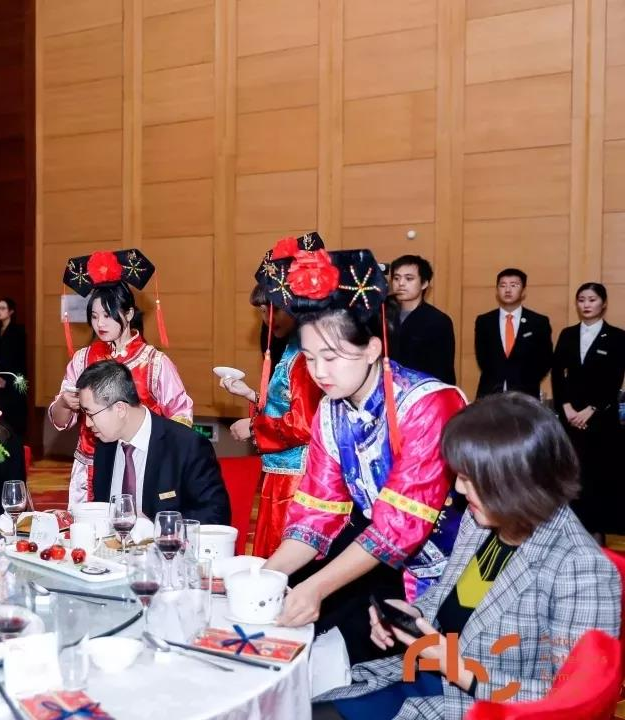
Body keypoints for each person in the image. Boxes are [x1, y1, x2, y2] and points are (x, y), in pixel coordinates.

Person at [315, 393, 620, 719]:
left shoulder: (580, 568)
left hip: (481, 707)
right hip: (423, 676)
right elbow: (455, 597)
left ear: (514, 479)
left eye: (469, 478)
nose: (459, 489)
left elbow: (567, 701)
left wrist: (456, 667)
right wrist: (414, 616)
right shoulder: (485, 520)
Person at [259, 248, 467, 667]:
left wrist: (316, 588)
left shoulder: (428, 405)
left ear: (373, 349)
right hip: (393, 571)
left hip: (466, 574)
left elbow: (398, 526)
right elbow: (316, 513)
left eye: (331, 357)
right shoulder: (330, 412)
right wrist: (266, 577)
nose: (319, 372)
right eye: (310, 358)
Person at [49, 250, 193, 505]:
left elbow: (180, 417)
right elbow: (61, 420)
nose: (100, 324)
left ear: (128, 314)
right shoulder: (83, 358)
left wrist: (166, 461)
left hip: (138, 464)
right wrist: (63, 403)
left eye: (108, 315)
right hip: (90, 466)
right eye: (94, 317)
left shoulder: (154, 362)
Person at [223, 234, 325, 557]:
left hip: (297, 477)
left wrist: (253, 428)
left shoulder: (306, 353)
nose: (268, 320)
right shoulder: (294, 347)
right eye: (263, 313)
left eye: (273, 310)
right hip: (282, 471)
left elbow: (304, 424)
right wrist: (252, 394)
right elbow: (286, 403)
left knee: (284, 556)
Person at [81, 360, 230, 524]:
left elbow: (215, 516)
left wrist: (154, 526)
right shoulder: (105, 446)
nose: (87, 423)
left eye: (90, 414)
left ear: (120, 409)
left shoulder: (187, 446)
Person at [551, 282, 625, 539]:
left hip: (601, 419)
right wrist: (567, 407)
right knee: (571, 475)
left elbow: (615, 379)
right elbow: (557, 373)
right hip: (570, 417)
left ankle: (598, 535)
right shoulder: (568, 334)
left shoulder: (617, 336)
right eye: (582, 299)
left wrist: (592, 409)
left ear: (603, 303)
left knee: (599, 477)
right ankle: (571, 533)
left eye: (592, 300)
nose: (586, 304)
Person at [474, 268, 553, 399]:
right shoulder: (484, 321)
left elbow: (545, 360)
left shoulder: (538, 322)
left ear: (523, 291)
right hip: (490, 394)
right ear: (497, 291)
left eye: (514, 285)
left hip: (526, 395)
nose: (508, 290)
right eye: (503, 285)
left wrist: (526, 379)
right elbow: (482, 358)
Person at [388, 255, 456, 385]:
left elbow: (443, 370)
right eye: (396, 278)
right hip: (384, 389)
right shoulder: (382, 314)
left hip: (421, 390)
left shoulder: (438, 321)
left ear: (424, 283)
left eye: (409, 278)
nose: (401, 283)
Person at [0, 297, 28, 438]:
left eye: (3, 308)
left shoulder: (18, 331)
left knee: (13, 420)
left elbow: (19, 359)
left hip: (12, 383)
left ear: (11, 311)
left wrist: (6, 379)